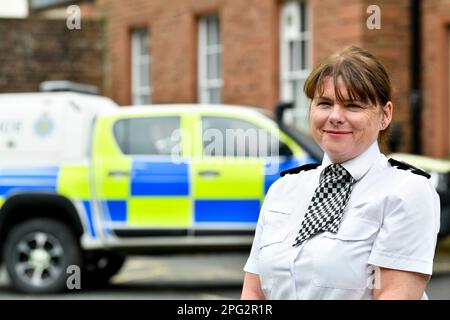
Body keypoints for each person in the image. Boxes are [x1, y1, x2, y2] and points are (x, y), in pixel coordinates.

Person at [241, 45, 440, 300]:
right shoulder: (283, 189)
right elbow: (254, 293)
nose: (335, 116)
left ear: (385, 115)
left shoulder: (407, 192)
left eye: (353, 106)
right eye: (324, 103)